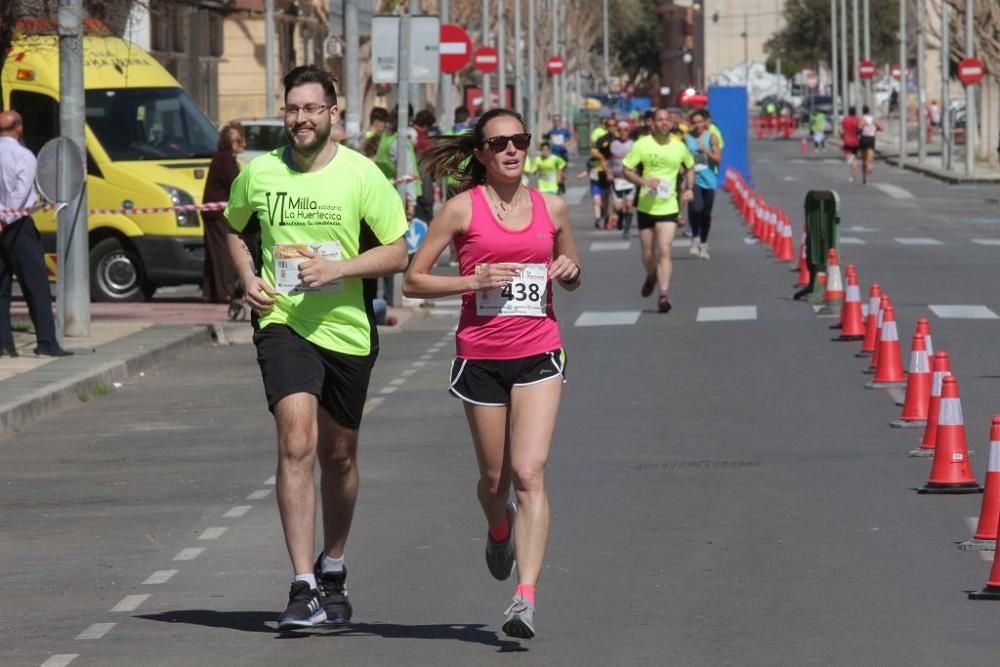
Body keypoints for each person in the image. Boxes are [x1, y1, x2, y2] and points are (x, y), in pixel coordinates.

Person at [223, 65, 408, 631]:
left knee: (340, 455)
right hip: (283, 322)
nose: (300, 119)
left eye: (311, 108)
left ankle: (333, 564)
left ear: (333, 113)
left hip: (347, 330)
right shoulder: (260, 173)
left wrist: (339, 269)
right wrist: (248, 276)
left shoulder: (362, 175)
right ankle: (302, 584)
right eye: (292, 109)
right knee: (296, 440)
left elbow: (398, 251)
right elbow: (234, 227)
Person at [403, 107, 581, 640]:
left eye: (519, 141)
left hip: (538, 351)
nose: (511, 150)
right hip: (480, 357)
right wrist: (471, 279)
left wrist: (570, 270)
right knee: (494, 480)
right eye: (499, 142)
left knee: (530, 473)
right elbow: (413, 281)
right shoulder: (460, 210)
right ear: (480, 154)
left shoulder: (553, 208)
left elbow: (569, 272)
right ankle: (498, 525)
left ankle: (524, 597)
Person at [0, 110, 71, 358]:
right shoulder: (24, 155)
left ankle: (4, 343)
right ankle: (46, 343)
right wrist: (5, 218)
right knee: (36, 285)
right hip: (17, 226)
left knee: (1, 288)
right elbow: (19, 195)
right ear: (18, 127)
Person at [622, 107, 695, 313]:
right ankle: (652, 274)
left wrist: (689, 189)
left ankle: (663, 294)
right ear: (652, 123)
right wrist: (644, 181)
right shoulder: (642, 145)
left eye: (667, 120)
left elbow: (689, 167)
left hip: (669, 206)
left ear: (672, 123)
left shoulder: (679, 147)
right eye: (659, 120)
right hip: (646, 205)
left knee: (664, 250)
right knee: (647, 253)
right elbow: (625, 170)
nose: (663, 123)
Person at [201, 122, 245, 303]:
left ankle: (210, 292)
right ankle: (224, 292)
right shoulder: (226, 159)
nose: (243, 143)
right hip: (218, 212)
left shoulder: (222, 157)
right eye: (240, 140)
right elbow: (235, 183)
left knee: (214, 252)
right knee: (223, 252)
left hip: (213, 211)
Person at [685, 109, 721, 259]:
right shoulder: (687, 138)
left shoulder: (712, 137)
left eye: (700, 122)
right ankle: (695, 237)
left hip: (709, 179)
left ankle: (704, 245)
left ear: (705, 122)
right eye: (694, 123)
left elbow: (718, 159)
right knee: (696, 208)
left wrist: (705, 150)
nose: (697, 125)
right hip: (694, 178)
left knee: (706, 213)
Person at [608, 120, 636, 238]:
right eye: (620, 130)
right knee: (618, 207)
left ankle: (627, 228)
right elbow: (607, 159)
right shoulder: (613, 144)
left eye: (626, 130)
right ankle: (620, 217)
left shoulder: (633, 144)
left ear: (629, 131)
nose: (623, 132)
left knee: (629, 205)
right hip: (617, 179)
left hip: (629, 178)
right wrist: (608, 172)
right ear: (617, 131)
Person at [858, 104, 883, 183]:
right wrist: (875, 128)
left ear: (863, 111)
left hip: (863, 138)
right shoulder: (874, 119)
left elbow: (859, 128)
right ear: (869, 111)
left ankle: (864, 177)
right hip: (871, 138)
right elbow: (882, 128)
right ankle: (870, 166)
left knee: (864, 159)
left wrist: (863, 128)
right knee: (870, 157)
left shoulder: (862, 119)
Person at [839, 106, 861, 182]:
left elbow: (840, 130)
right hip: (855, 141)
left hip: (847, 140)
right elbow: (860, 129)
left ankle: (851, 161)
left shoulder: (845, 120)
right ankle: (852, 174)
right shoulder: (857, 120)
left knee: (847, 156)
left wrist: (841, 136)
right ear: (855, 112)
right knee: (854, 158)